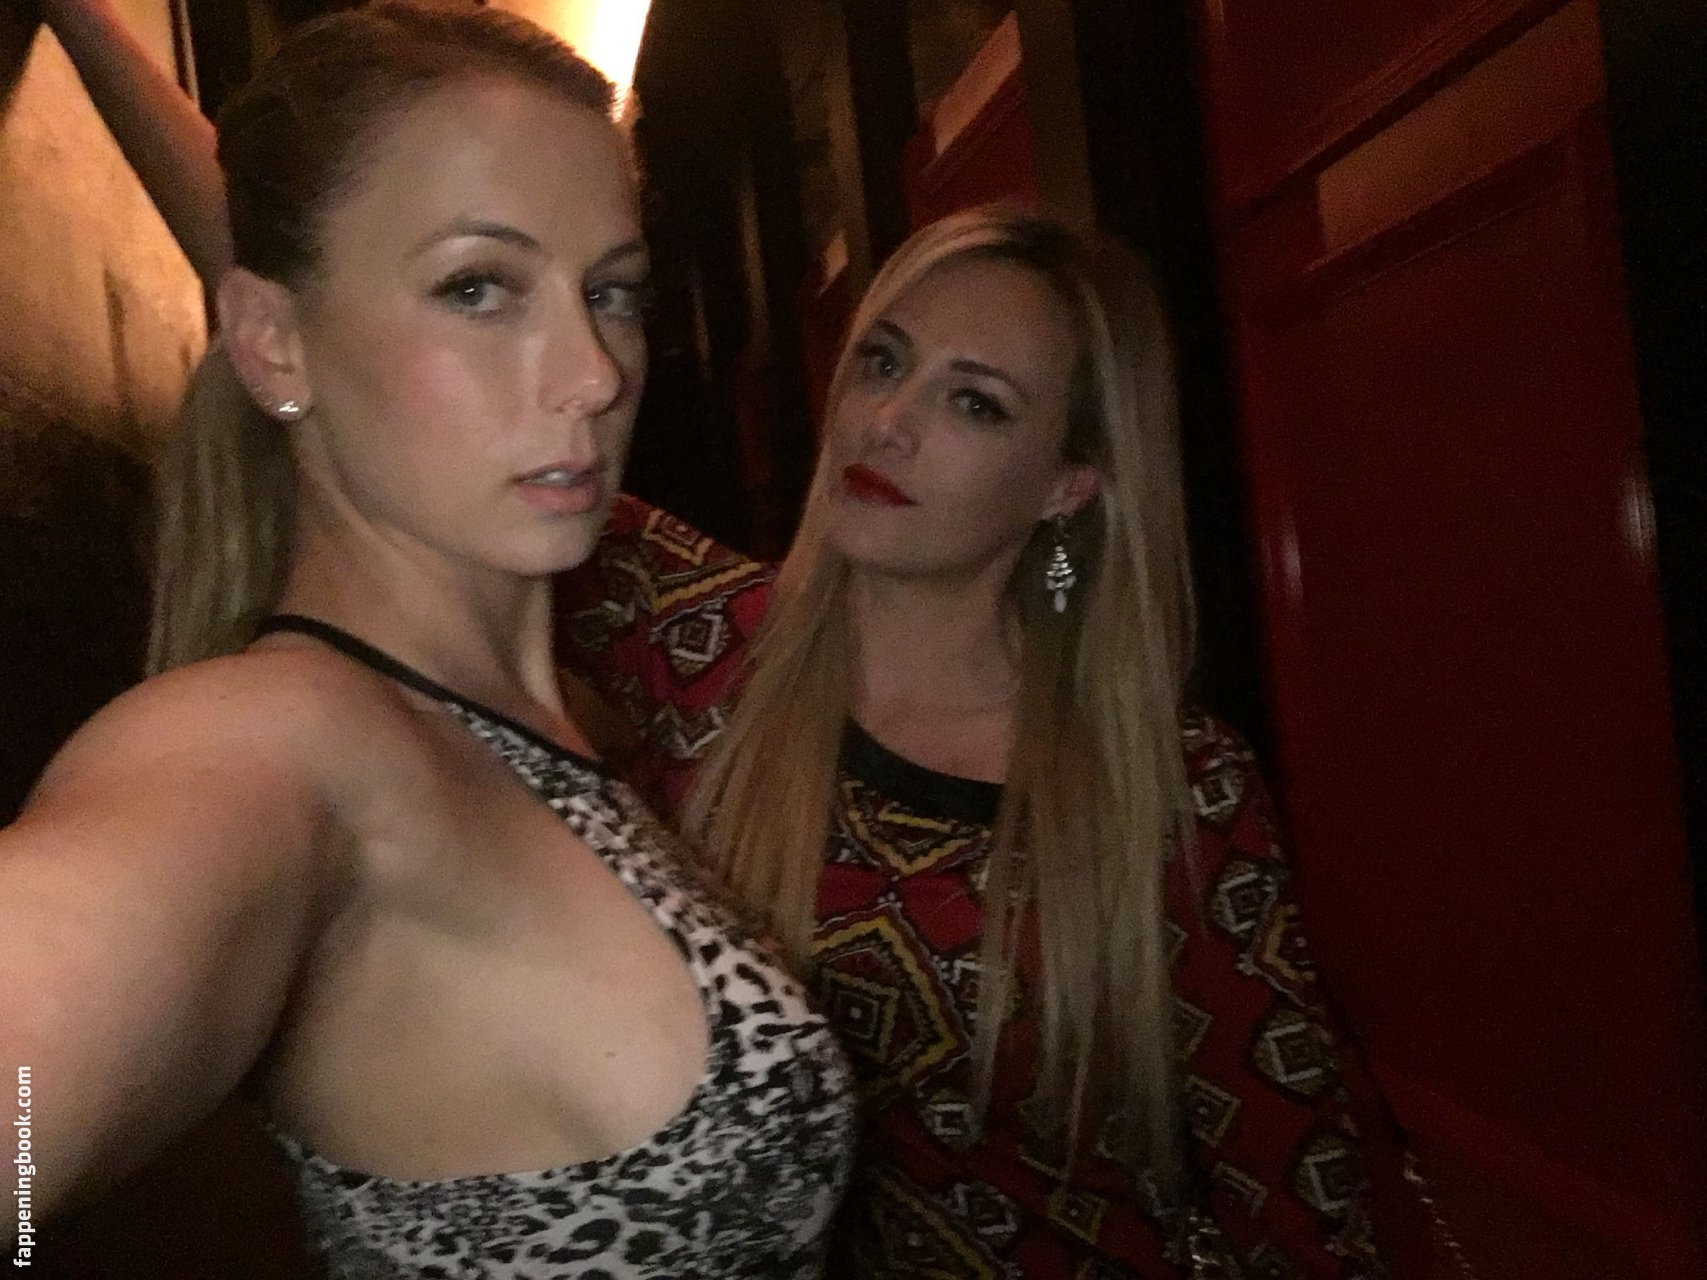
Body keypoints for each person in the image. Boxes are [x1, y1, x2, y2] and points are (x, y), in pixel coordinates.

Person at [0, 5, 854, 1277]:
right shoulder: (286, 738)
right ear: (270, 340)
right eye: (478, 287)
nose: (595, 373)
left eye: (611, 291)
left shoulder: (558, 699)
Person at [556, 207, 1390, 1277]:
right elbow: (438, 482)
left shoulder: (1174, 785)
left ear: (1066, 484)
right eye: (882, 362)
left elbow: (1297, 1197)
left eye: (974, 402)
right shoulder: (700, 636)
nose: (886, 423)